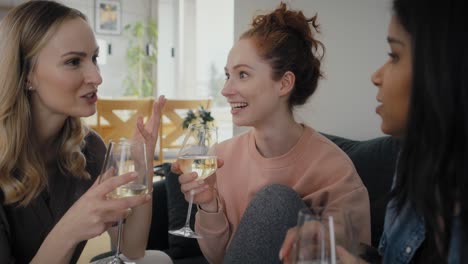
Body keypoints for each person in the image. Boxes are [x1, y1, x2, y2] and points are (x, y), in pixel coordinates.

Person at [173, 2, 371, 263]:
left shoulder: (335, 171)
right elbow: (219, 258)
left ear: (284, 83)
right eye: (227, 76)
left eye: (242, 74)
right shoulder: (221, 157)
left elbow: (351, 256)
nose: (226, 90)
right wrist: (209, 205)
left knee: (277, 199)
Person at [286, 0, 468, 263]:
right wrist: (341, 250)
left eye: (394, 55)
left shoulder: (331, 161)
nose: (376, 76)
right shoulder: (415, 164)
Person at [0, 1, 171, 263]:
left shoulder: (89, 148)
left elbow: (132, 250)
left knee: (157, 260)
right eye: (73, 61)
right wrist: (70, 229)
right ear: (26, 75)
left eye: (94, 58)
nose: (96, 76)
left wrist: (143, 163)